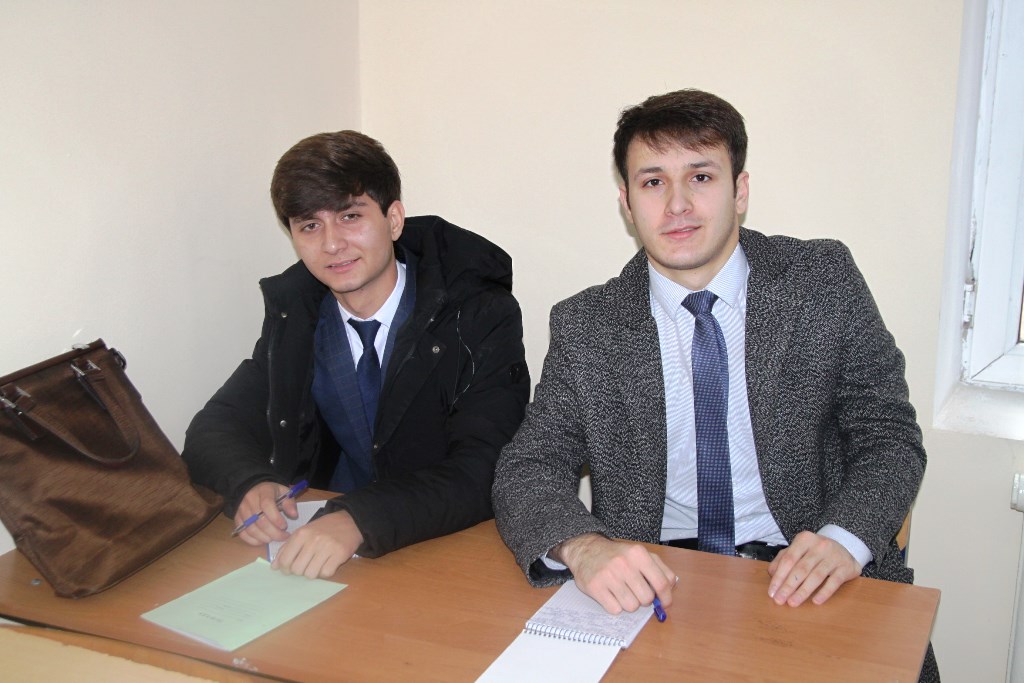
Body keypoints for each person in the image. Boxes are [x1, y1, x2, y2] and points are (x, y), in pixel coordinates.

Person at [492, 89, 937, 680]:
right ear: (627, 203)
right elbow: (528, 466)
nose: (677, 204)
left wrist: (845, 538)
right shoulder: (588, 324)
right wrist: (584, 546)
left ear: (740, 190)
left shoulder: (821, 282)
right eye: (653, 182)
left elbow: (888, 436)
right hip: (660, 589)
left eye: (700, 177)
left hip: (803, 575)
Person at [183, 130, 529, 580]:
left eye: (350, 216)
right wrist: (249, 482)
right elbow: (214, 428)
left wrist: (359, 519)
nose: (331, 244)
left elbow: (488, 467)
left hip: (443, 550)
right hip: (330, 557)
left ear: (394, 219)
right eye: (310, 226)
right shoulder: (298, 316)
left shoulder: (477, 313)